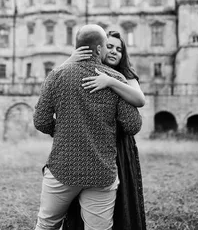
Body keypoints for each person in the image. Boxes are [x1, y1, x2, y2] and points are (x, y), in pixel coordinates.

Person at [33, 25, 143, 230]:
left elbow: (41, 121)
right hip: (101, 171)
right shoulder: (116, 79)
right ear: (100, 49)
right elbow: (133, 125)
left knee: (47, 224)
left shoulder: (57, 75)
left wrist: (63, 130)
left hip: (63, 167)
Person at [62, 30, 148, 230]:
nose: (114, 52)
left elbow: (139, 99)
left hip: (119, 145)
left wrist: (110, 81)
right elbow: (56, 82)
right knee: (84, 199)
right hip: (90, 142)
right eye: (109, 46)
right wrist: (69, 60)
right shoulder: (84, 70)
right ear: (99, 48)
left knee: (121, 196)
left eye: (119, 49)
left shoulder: (126, 75)